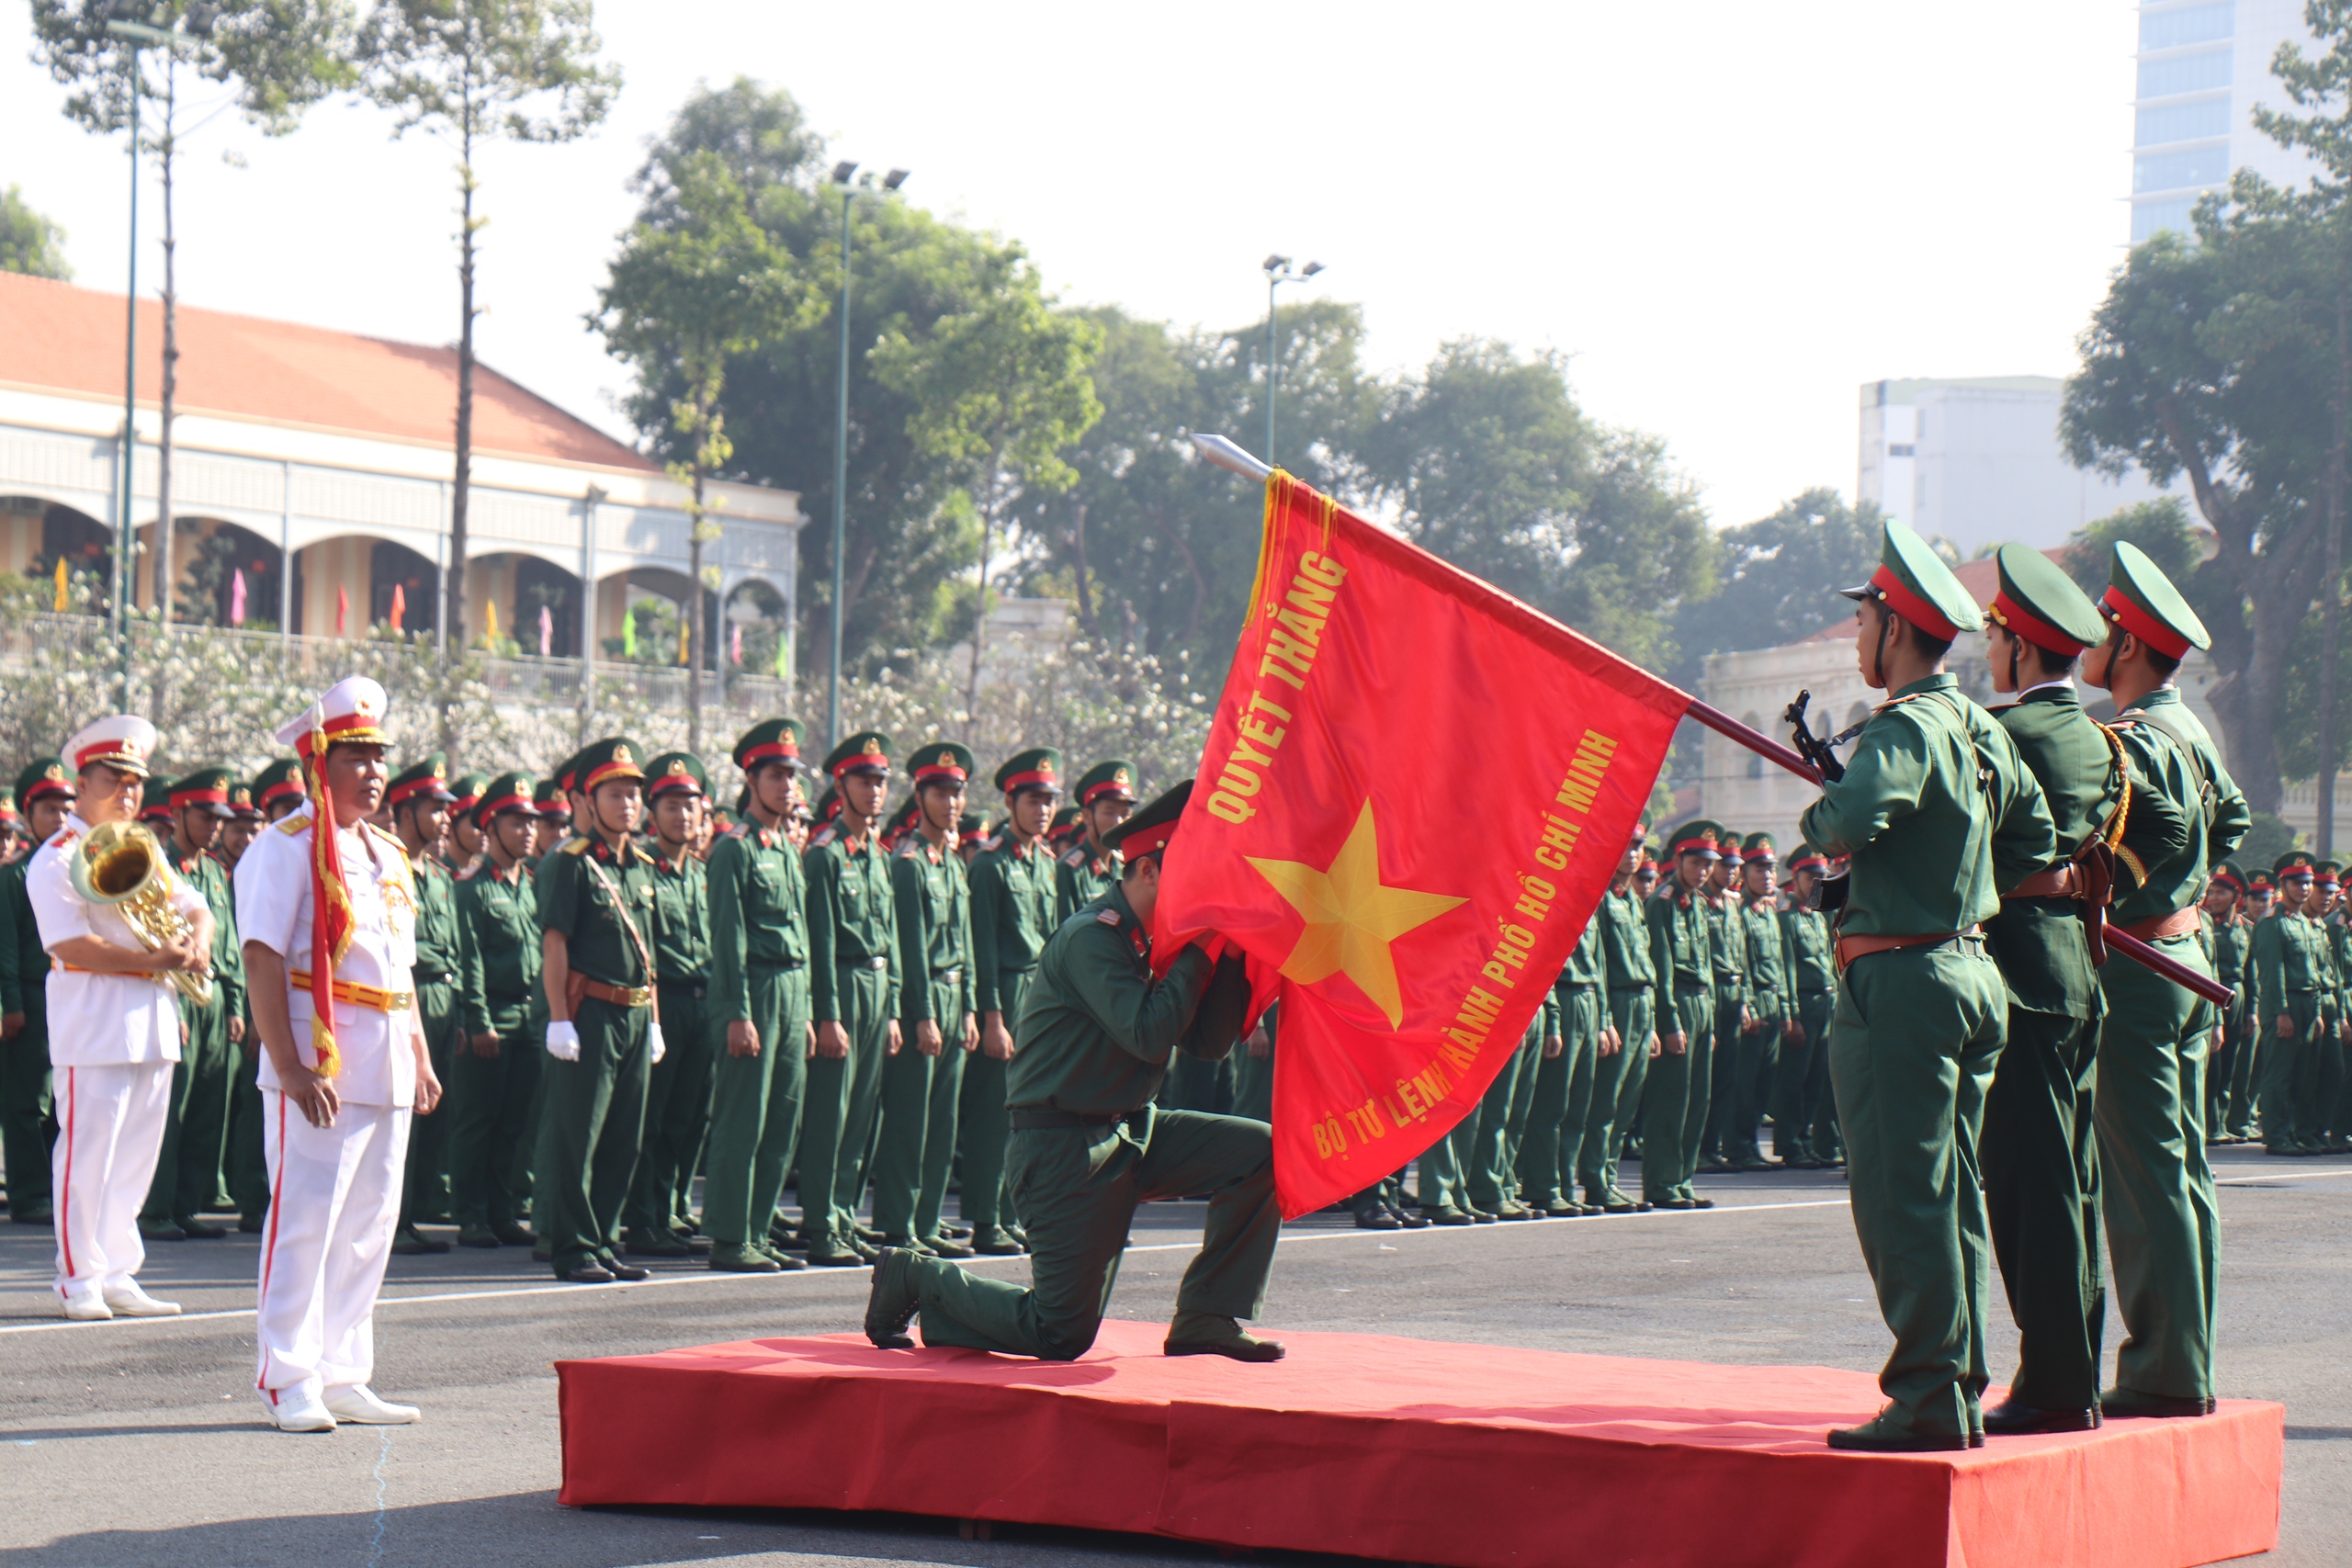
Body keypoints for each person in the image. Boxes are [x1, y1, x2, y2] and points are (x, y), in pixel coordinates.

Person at [863, 780, 1273, 1362]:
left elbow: (1206, 1042)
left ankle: (1206, 1316)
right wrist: (1200, 952)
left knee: (1261, 1153)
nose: (1211, 891)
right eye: (1199, 876)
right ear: (1150, 873)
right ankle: (917, 1277)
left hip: (1133, 1130)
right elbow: (1149, 1035)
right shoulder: (1094, 939)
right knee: (1059, 1335)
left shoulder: (1155, 944)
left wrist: (1230, 954)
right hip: (1063, 1149)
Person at [1800, 519, 2054, 1451]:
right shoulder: (1977, 728)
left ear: (1891, 627)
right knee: (1948, 1197)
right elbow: (2031, 841)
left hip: (1902, 980)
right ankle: (1954, 1384)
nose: (1859, 638)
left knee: (1903, 1195)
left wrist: (1819, 807)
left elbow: (1851, 819)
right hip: (1968, 969)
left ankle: (1924, 1397)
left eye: (1863, 620)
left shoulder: (1905, 726)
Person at [235, 677, 442, 1430]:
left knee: (369, 1223)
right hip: (321, 1058)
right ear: (319, 762)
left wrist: (418, 1053)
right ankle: (288, 1375)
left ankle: (344, 1369)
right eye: (356, 753)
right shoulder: (284, 847)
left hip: (384, 1054)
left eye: (380, 754)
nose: (375, 768)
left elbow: (400, 968)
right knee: (306, 1220)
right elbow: (261, 958)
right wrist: (288, 1065)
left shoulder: (387, 852)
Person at [2083, 542, 2251, 1421]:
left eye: (2101, 631)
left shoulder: (2133, 740)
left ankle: (2164, 1370)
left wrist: (2153, 888)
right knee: (2183, 1171)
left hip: (2142, 968)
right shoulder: (2188, 728)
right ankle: (2186, 1358)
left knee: (2147, 1177)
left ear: (2127, 647)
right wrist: (2189, 888)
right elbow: (2236, 815)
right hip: (2186, 957)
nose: (2086, 643)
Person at [1974, 543, 2129, 1436]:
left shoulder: (2010, 735)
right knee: (2070, 1183)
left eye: (1994, 637)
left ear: (2021, 650)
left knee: (2028, 1186)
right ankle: (2071, 1367)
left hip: (2020, 974)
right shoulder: (2099, 742)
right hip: (2075, 970)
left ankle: (2053, 1381)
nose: (1989, 652)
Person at [30, 716, 213, 1320]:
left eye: (135, 782)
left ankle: (116, 1270)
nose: (128, 792)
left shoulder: (145, 847)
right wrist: (153, 958)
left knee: (136, 1155)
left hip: (154, 1020)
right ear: (81, 785)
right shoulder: (56, 856)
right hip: (94, 1021)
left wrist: (199, 940)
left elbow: (194, 904)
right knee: (87, 1156)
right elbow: (69, 944)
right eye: (114, 779)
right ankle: (76, 1276)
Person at [535, 739, 662, 1284]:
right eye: (616, 794)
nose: (628, 804)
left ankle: (604, 1239)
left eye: (634, 794)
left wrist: (654, 1020)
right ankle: (573, 1246)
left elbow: (648, 952)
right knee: (577, 1133)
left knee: (621, 1135)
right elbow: (555, 945)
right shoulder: (570, 864)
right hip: (589, 1013)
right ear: (590, 799)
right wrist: (559, 1017)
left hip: (634, 1013)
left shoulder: (642, 866)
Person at [703, 720, 812, 1273]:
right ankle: (729, 1236)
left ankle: (759, 1228)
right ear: (751, 779)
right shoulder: (735, 850)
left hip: (793, 991)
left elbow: (802, 933)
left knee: (782, 1117)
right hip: (757, 989)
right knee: (744, 1116)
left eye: (791, 776)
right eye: (775, 775)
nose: (786, 785)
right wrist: (738, 1012)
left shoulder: (788, 849)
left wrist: (811, 1009)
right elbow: (729, 939)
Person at [798, 731, 900, 1266]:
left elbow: (892, 936)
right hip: (842, 985)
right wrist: (828, 1014)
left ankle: (843, 1216)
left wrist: (896, 1007)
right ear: (841, 785)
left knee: (861, 1115)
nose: (874, 792)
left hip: (878, 987)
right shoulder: (826, 855)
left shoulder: (876, 855)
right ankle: (821, 1224)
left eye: (881, 782)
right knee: (830, 1115)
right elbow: (819, 940)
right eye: (864, 781)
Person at [875, 741, 978, 1257]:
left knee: (944, 1122)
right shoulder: (909, 862)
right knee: (911, 1118)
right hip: (928, 998)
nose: (950, 803)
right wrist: (925, 1015)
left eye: (956, 793)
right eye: (939, 793)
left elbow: (966, 941)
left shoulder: (952, 863)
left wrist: (974, 1006)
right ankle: (901, 1222)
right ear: (919, 796)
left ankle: (929, 1220)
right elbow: (910, 948)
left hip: (958, 993)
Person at [139, 767, 246, 1242]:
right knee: (171, 1109)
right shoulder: (159, 869)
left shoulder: (215, 875)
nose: (215, 826)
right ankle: (155, 1208)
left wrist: (237, 1004)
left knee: (208, 1107)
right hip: (177, 994)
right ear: (178, 813)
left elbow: (232, 944)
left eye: (219, 818)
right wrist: (176, 1011)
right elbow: (153, 941)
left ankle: (187, 1204)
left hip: (216, 996)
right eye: (205, 816)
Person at [963, 748, 1064, 1256]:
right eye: (1033, 799)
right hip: (1002, 994)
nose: (1042, 810)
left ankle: (1008, 1213)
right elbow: (980, 946)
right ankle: (984, 1218)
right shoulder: (990, 865)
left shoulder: (1043, 862)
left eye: (1049, 800)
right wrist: (992, 1017)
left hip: (1038, 997)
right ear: (1010, 801)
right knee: (991, 1115)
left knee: (1026, 1115)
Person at [625, 750, 716, 1258]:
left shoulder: (701, 875)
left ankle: (672, 1209)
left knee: (689, 1116)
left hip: (705, 1004)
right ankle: (644, 1220)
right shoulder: (643, 873)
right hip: (667, 1003)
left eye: (690, 805)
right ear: (652, 812)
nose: (683, 816)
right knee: (654, 1118)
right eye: (672, 805)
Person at [449, 774, 543, 1249]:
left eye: (531, 822)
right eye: (515, 821)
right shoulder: (471, 887)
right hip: (493, 1017)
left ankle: (502, 1210)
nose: (527, 830)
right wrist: (479, 1021)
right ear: (491, 826)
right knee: (478, 1120)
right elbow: (469, 960)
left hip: (529, 1018)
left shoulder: (530, 884)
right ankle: (472, 1215)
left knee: (514, 1122)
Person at [386, 755, 461, 1256]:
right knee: (403, 1113)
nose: (445, 818)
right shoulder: (390, 865)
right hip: (408, 992)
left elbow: (457, 945)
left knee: (434, 1112)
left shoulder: (438, 874)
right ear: (406, 811)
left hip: (444, 997)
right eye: (434, 808)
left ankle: (415, 1213)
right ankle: (393, 1221)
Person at [0, 759, 73, 1227]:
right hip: (31, 996)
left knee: (62, 1101)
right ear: (29, 816)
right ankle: (29, 1194)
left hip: (70, 997)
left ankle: (55, 1189)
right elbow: (6, 946)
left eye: (67, 808)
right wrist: (11, 1005)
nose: (60, 819)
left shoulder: (77, 871)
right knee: (28, 1102)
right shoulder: (13, 875)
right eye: (49, 809)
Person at [1579, 822, 1656, 1214]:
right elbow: (1602, 965)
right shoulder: (1603, 899)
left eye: (1638, 846)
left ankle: (1609, 1176)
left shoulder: (1631, 900)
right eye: (1626, 845)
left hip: (1642, 1003)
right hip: (1619, 1002)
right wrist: (1607, 1017)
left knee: (1627, 1100)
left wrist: (1655, 1020)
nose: (1632, 853)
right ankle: (1596, 1180)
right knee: (1607, 1099)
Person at [1645, 819, 1721, 1211]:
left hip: (1703, 1004)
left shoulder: (1700, 903)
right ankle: (1662, 1181)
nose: (1704, 870)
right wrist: (1670, 1022)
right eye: (1697, 862)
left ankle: (1682, 1179)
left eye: (1709, 863)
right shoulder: (1663, 903)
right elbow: (1661, 967)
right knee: (1671, 1100)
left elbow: (1705, 962)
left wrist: (1709, 1023)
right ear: (1679, 860)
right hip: (1678, 1003)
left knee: (1697, 1100)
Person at [1774, 845, 1838, 1168]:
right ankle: (1790, 1143)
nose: (1817, 882)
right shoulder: (1787, 918)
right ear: (1795, 878)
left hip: (1826, 1003)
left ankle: (1805, 1140)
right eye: (1810, 876)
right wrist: (1792, 1017)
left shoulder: (1818, 917)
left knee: (1817, 1078)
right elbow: (1786, 969)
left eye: (1822, 876)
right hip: (1804, 1003)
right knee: (1793, 1080)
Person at [1055, 760, 1136, 924]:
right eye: (1109, 813)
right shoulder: (1069, 870)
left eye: (1125, 814)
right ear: (1087, 817)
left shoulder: (1126, 867)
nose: (1119, 822)